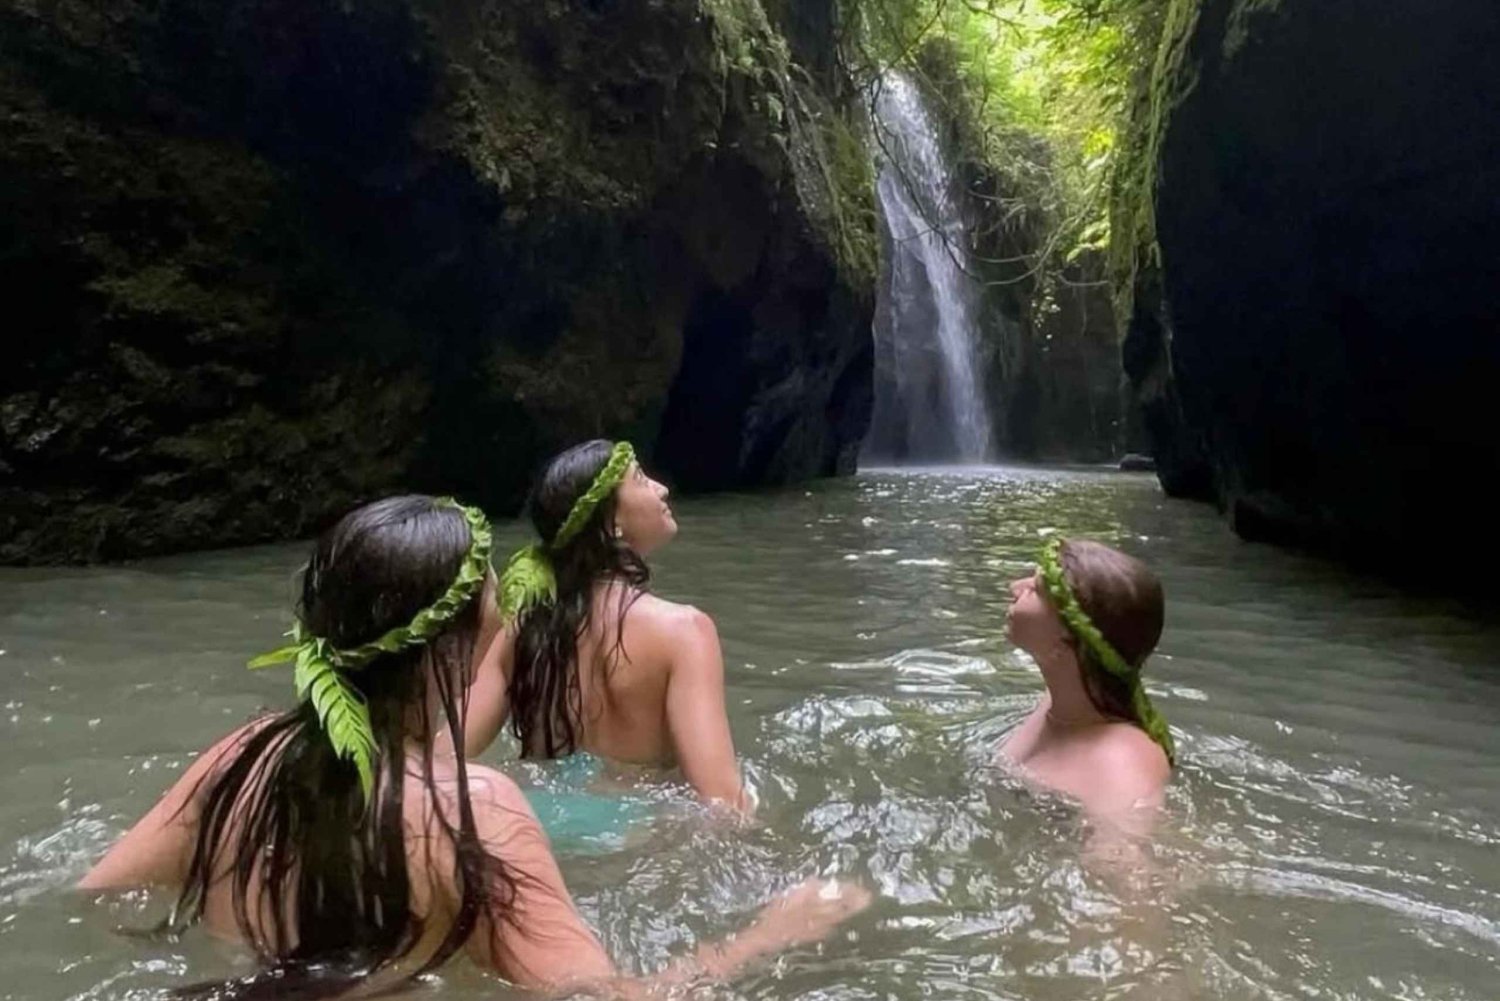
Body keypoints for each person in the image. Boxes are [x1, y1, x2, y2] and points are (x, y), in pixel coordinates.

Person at [78, 495, 864, 998]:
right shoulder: (472, 810)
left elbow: (97, 901)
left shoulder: (243, 753)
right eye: (490, 601)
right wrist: (770, 935)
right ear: (449, 648)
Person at [466, 440, 751, 814]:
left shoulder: (522, 629)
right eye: (641, 479)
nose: (661, 488)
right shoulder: (685, 632)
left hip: (544, 826)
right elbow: (723, 804)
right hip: (638, 836)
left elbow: (444, 755)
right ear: (610, 522)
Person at [998, 535, 1175, 833]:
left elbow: (1128, 871)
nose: (1015, 588)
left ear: (1067, 643)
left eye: (1037, 590)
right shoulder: (1059, 703)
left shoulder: (1123, 764)